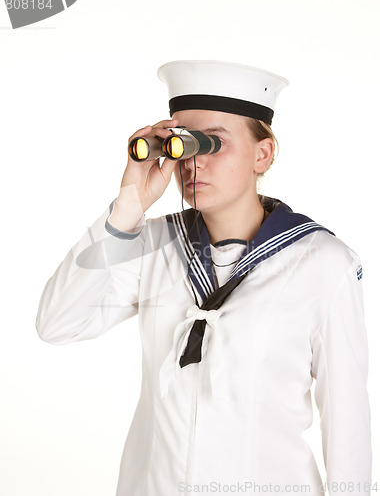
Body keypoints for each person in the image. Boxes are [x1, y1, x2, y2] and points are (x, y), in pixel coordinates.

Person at [35, 60, 372, 496]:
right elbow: (56, 323)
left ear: (262, 153)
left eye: (213, 143)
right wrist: (129, 205)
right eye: (182, 145)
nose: (194, 163)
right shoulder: (151, 246)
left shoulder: (322, 262)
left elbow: (347, 425)